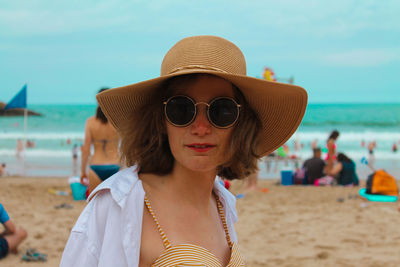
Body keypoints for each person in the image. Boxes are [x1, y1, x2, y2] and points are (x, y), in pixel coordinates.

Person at [61, 35, 307, 266]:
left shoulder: (223, 204)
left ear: (242, 123)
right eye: (181, 110)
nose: (200, 127)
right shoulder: (119, 205)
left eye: (221, 111)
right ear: (161, 120)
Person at [80, 88, 121, 193]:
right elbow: (128, 145)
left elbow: (86, 149)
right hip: (116, 165)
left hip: (95, 167)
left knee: (95, 205)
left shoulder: (90, 122)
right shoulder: (117, 121)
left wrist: (82, 171)